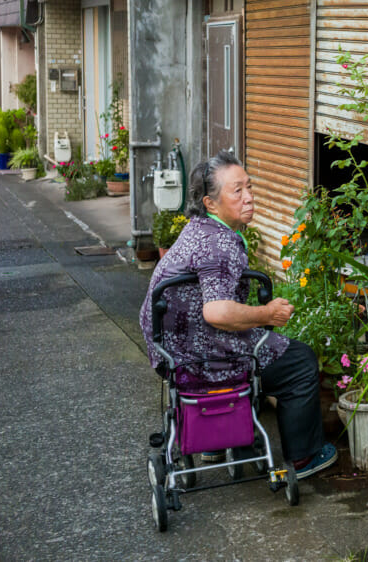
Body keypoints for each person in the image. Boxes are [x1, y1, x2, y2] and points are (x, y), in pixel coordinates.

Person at [138, 151, 337, 479]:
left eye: (249, 187)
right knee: (300, 361)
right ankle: (304, 458)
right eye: (237, 191)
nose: (249, 197)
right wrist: (267, 313)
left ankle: (215, 441)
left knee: (256, 341)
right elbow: (216, 311)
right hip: (203, 358)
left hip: (170, 354)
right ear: (210, 203)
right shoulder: (220, 245)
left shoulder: (197, 229)